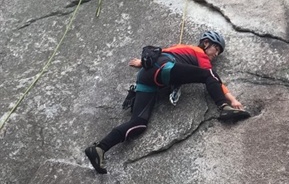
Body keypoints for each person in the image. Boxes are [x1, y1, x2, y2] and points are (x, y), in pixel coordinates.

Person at [85, 31, 250, 174]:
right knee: (209, 75)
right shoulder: (198, 52)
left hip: (146, 76)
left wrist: (141, 63)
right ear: (206, 43)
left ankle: (99, 148)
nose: (216, 54)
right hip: (163, 69)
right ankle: (224, 108)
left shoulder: (179, 48)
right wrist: (232, 100)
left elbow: (157, 55)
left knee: (138, 123)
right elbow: (214, 78)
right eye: (216, 49)